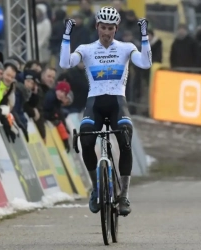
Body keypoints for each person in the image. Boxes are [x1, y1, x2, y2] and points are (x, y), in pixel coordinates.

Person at [59, 6, 152, 216]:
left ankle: (125, 195)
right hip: (95, 105)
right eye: (103, 27)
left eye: (110, 28)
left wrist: (144, 36)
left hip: (118, 103)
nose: (107, 32)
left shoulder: (126, 48)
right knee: (86, 141)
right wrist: (66, 36)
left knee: (125, 137)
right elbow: (65, 62)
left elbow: (145, 63)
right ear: (97, 26)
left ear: (116, 28)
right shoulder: (87, 49)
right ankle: (95, 188)